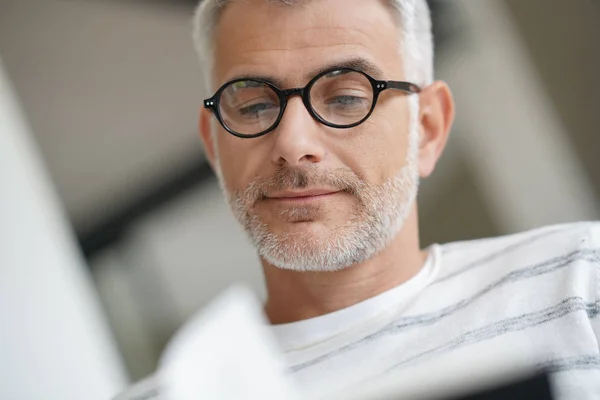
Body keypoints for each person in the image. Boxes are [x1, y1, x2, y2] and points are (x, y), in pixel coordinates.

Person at [118, 0, 600, 398]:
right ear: (214, 146)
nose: (292, 143)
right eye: (255, 105)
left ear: (427, 129)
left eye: (347, 97)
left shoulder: (580, 278)